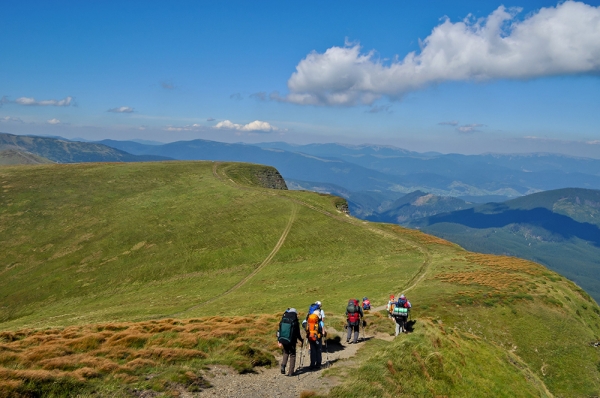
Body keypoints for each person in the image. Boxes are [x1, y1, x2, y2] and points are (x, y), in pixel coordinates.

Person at [277, 308, 303, 376]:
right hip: (292, 341)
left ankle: (283, 365)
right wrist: (301, 339)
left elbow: (279, 330)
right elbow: (297, 333)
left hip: (283, 339)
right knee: (292, 355)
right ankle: (291, 372)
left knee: (286, 352)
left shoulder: (283, 319)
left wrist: (279, 340)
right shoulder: (295, 320)